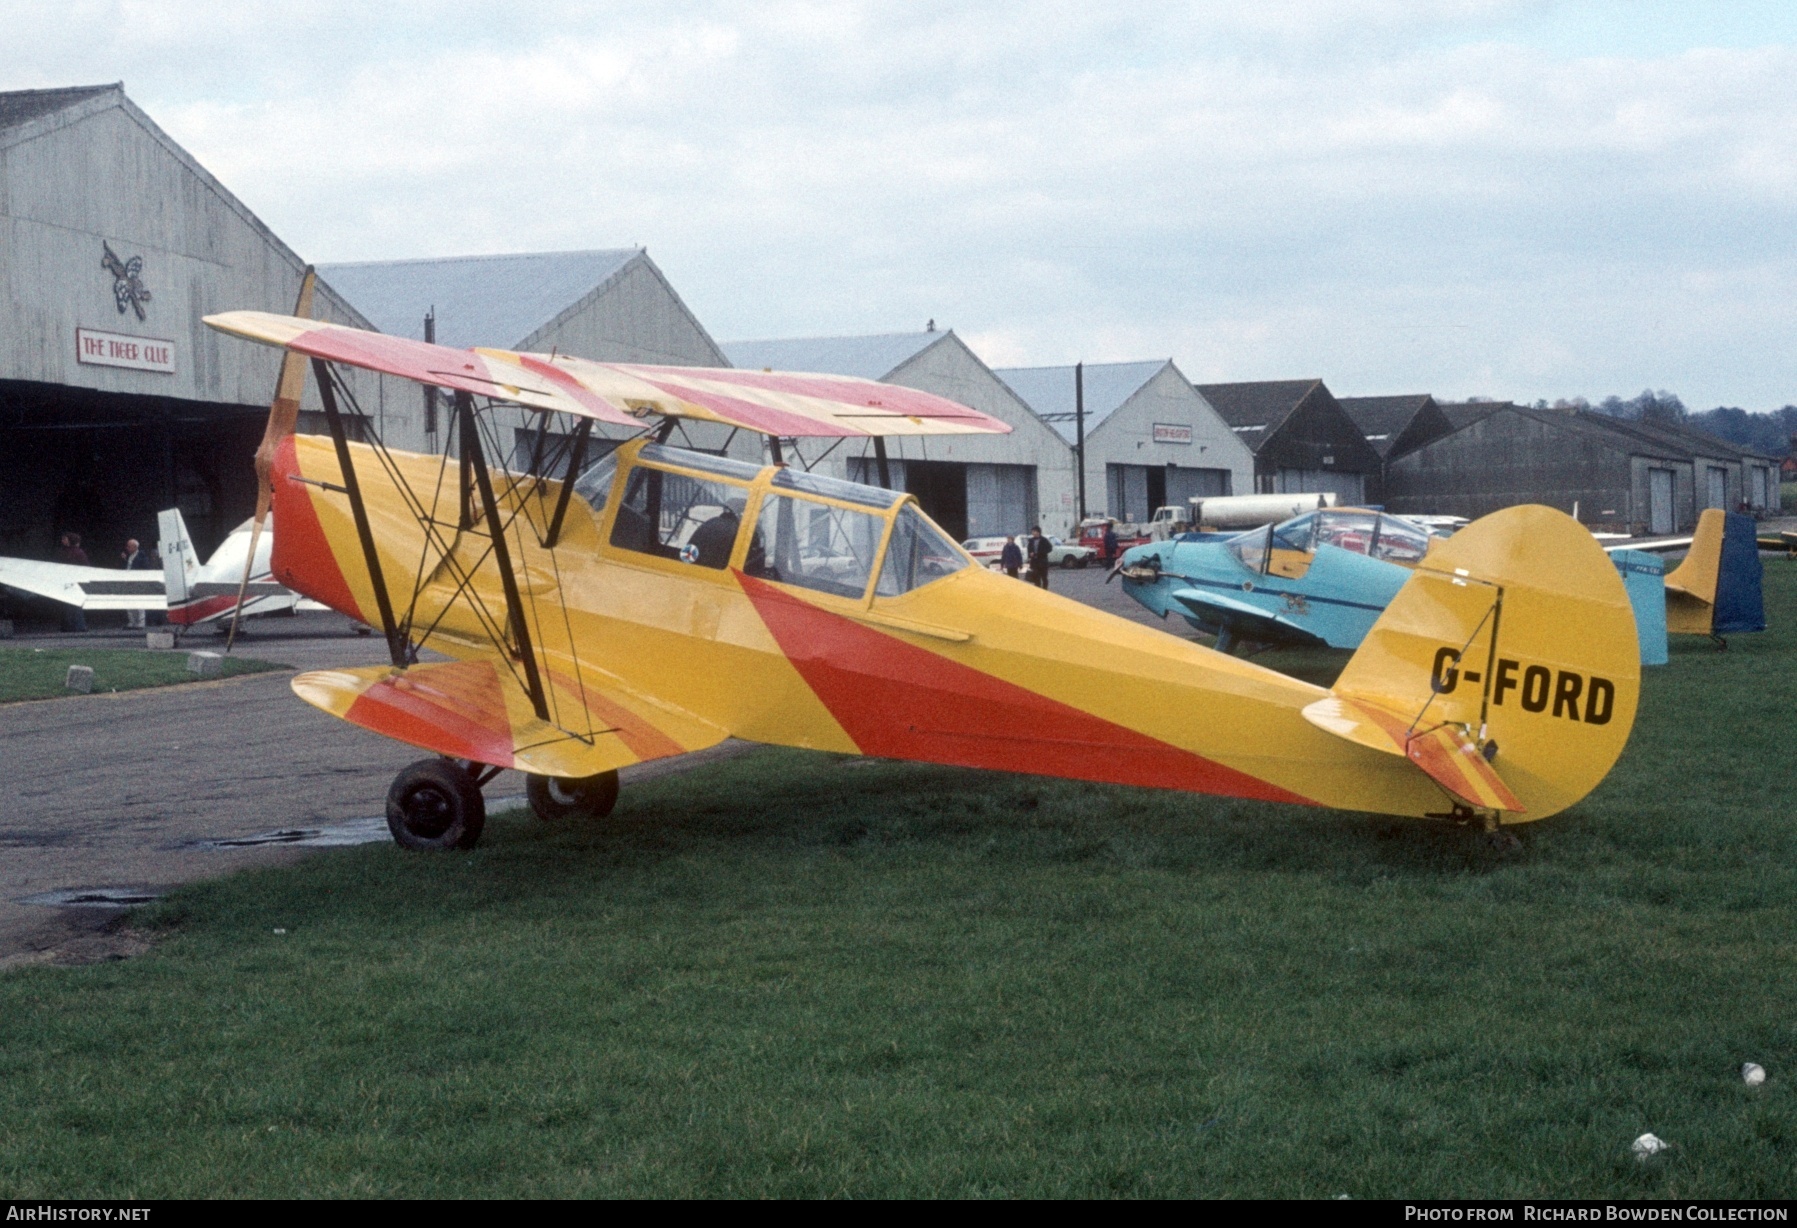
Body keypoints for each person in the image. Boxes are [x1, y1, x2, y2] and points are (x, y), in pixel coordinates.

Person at [55, 533, 88, 632]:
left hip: (73, 580)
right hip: (68, 580)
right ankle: (72, 625)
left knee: (73, 603)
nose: (63, 541)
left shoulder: (76, 552)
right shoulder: (66, 552)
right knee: (69, 604)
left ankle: (75, 625)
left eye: (65, 539)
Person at [121, 537, 153, 629]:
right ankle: (132, 622)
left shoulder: (142, 556)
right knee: (129, 603)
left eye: (129, 546)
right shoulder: (129, 556)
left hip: (138, 582)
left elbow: (145, 569)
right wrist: (124, 559)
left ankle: (141, 622)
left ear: (135, 547)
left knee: (139, 602)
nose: (127, 548)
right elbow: (128, 567)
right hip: (128, 582)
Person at [1026, 525, 1052, 590]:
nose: (1032, 533)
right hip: (1034, 562)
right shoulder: (1031, 540)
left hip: (1042, 562)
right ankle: (1038, 591)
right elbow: (1029, 549)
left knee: (1044, 577)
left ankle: (1045, 590)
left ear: (1038, 532)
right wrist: (1030, 554)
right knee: (1036, 577)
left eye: (1034, 531)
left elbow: (1049, 548)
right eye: (1032, 532)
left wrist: (1040, 553)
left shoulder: (1044, 540)